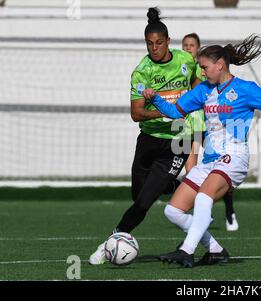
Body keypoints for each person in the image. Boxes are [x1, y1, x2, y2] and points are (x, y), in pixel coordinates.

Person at [143, 34, 261, 267]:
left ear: (220, 65)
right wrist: (155, 98)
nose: (202, 72)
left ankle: (186, 250)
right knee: (173, 211)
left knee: (204, 197)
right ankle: (215, 250)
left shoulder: (245, 89)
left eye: (205, 68)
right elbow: (175, 111)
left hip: (234, 157)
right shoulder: (203, 91)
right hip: (210, 161)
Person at [89, 7, 202, 265]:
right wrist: (164, 113)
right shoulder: (142, 72)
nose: (154, 48)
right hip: (149, 140)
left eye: (159, 43)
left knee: (143, 203)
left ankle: (111, 240)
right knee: (138, 195)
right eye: (149, 44)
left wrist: (193, 105)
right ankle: (184, 186)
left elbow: (196, 82)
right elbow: (136, 113)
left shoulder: (185, 60)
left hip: (178, 138)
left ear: (168, 41)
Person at [182, 32, 240, 232]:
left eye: (191, 45)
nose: (187, 48)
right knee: (191, 170)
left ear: (197, 48)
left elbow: (208, 92)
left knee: (220, 166)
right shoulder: (180, 68)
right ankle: (203, 211)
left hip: (209, 125)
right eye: (185, 45)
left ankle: (229, 210)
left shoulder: (203, 72)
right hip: (189, 124)